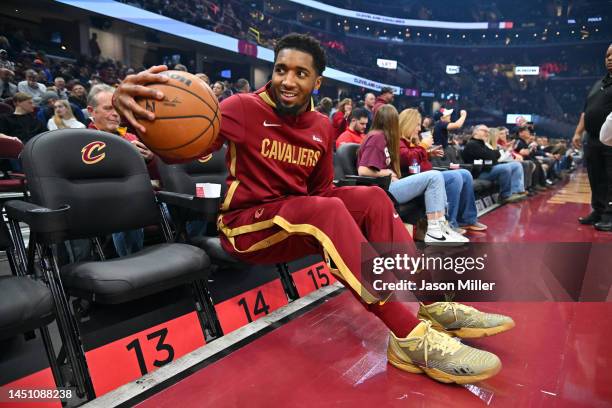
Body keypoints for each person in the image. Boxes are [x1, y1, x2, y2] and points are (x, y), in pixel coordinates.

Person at [113, 33, 513, 385]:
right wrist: (133, 115)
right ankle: (410, 337)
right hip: (245, 230)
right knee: (325, 212)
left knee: (372, 197)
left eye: (300, 74)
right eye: (281, 69)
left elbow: (322, 191)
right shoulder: (241, 107)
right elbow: (187, 148)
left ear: (316, 81)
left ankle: (431, 299)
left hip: (295, 222)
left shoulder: (322, 127)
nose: (287, 80)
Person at [358, 105, 468, 244]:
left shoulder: (382, 137)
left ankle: (440, 226)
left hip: (389, 186)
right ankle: (434, 230)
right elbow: (362, 170)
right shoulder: (377, 137)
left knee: (437, 176)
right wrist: (387, 172)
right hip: (383, 190)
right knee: (434, 176)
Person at [88, 84, 157, 256]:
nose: (115, 114)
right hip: (104, 203)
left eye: (118, 109)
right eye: (108, 108)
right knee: (127, 208)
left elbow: (156, 177)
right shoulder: (81, 141)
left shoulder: (131, 137)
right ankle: (133, 264)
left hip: (142, 199)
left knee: (188, 204)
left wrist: (150, 159)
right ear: (91, 111)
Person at [399, 108, 486, 234]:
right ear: (408, 124)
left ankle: (466, 220)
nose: (419, 129)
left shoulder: (412, 140)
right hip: (417, 179)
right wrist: (423, 146)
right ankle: (449, 223)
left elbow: (415, 157)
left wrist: (428, 153)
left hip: (428, 175)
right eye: (417, 125)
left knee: (465, 174)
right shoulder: (399, 140)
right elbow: (407, 159)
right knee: (454, 177)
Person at [573, 44, 612, 231]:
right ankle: (598, 210)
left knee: (611, 177)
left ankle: (610, 216)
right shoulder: (599, 83)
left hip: (611, 140)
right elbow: (586, 111)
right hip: (592, 139)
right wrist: (578, 132)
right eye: (607, 55)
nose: (610, 58)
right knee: (596, 177)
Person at [462, 125, 526, 203]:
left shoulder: (482, 144)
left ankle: (516, 191)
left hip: (487, 168)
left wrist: (491, 156)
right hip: (479, 173)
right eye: (484, 131)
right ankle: (504, 196)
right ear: (476, 132)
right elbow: (492, 156)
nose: (487, 133)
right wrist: (492, 156)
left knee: (516, 165)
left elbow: (494, 156)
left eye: (487, 132)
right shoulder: (472, 144)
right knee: (505, 168)